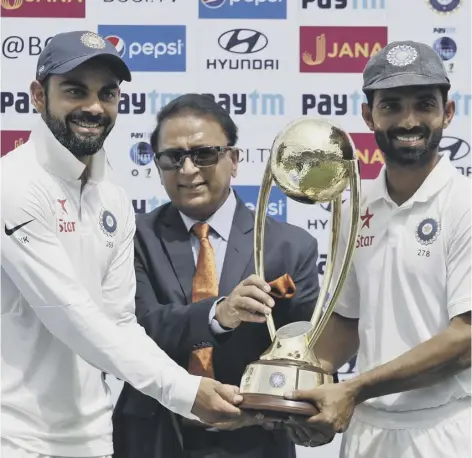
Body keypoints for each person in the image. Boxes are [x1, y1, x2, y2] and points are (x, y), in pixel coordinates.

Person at [1, 31, 245, 458]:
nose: (94, 107)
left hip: (93, 436)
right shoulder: (14, 184)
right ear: (38, 96)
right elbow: (70, 315)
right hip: (17, 437)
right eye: (75, 91)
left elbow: (117, 322)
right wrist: (184, 391)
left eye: (107, 93)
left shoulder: (111, 195)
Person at [112, 93, 331, 458]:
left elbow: (306, 354)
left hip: (255, 442)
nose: (187, 170)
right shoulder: (131, 237)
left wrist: (267, 412)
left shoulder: (291, 247)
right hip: (152, 438)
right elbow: (135, 329)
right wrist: (219, 314)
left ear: (234, 160)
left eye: (203, 154)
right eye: (172, 157)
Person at [284, 40, 472, 457]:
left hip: (446, 430)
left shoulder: (465, 204)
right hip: (367, 431)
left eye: (424, 104)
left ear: (448, 112)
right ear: (368, 115)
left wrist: (352, 389)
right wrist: (300, 389)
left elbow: (465, 342)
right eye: (391, 106)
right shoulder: (354, 205)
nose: (409, 120)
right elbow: (347, 322)